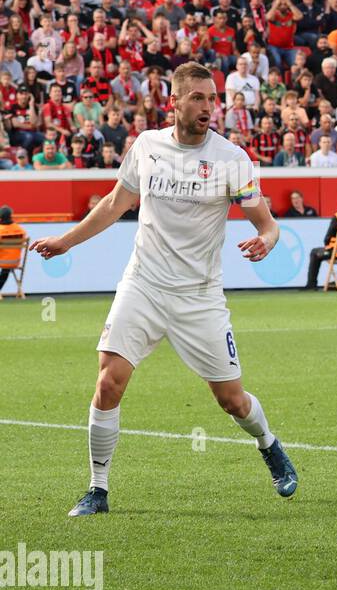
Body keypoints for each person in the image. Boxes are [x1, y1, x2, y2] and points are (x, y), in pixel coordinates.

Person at [28, 62, 297, 516]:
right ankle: (98, 489)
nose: (207, 107)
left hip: (199, 296)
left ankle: (269, 445)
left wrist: (267, 242)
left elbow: (267, 225)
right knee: (108, 382)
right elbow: (116, 203)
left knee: (231, 399)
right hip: (144, 284)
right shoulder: (147, 147)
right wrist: (64, 241)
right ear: (173, 102)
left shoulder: (232, 159)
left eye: (212, 99)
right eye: (197, 98)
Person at [0, 206, 26, 299]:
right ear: (11, 216)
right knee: (5, 270)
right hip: (15, 261)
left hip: (2, 262)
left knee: (4, 268)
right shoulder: (20, 230)